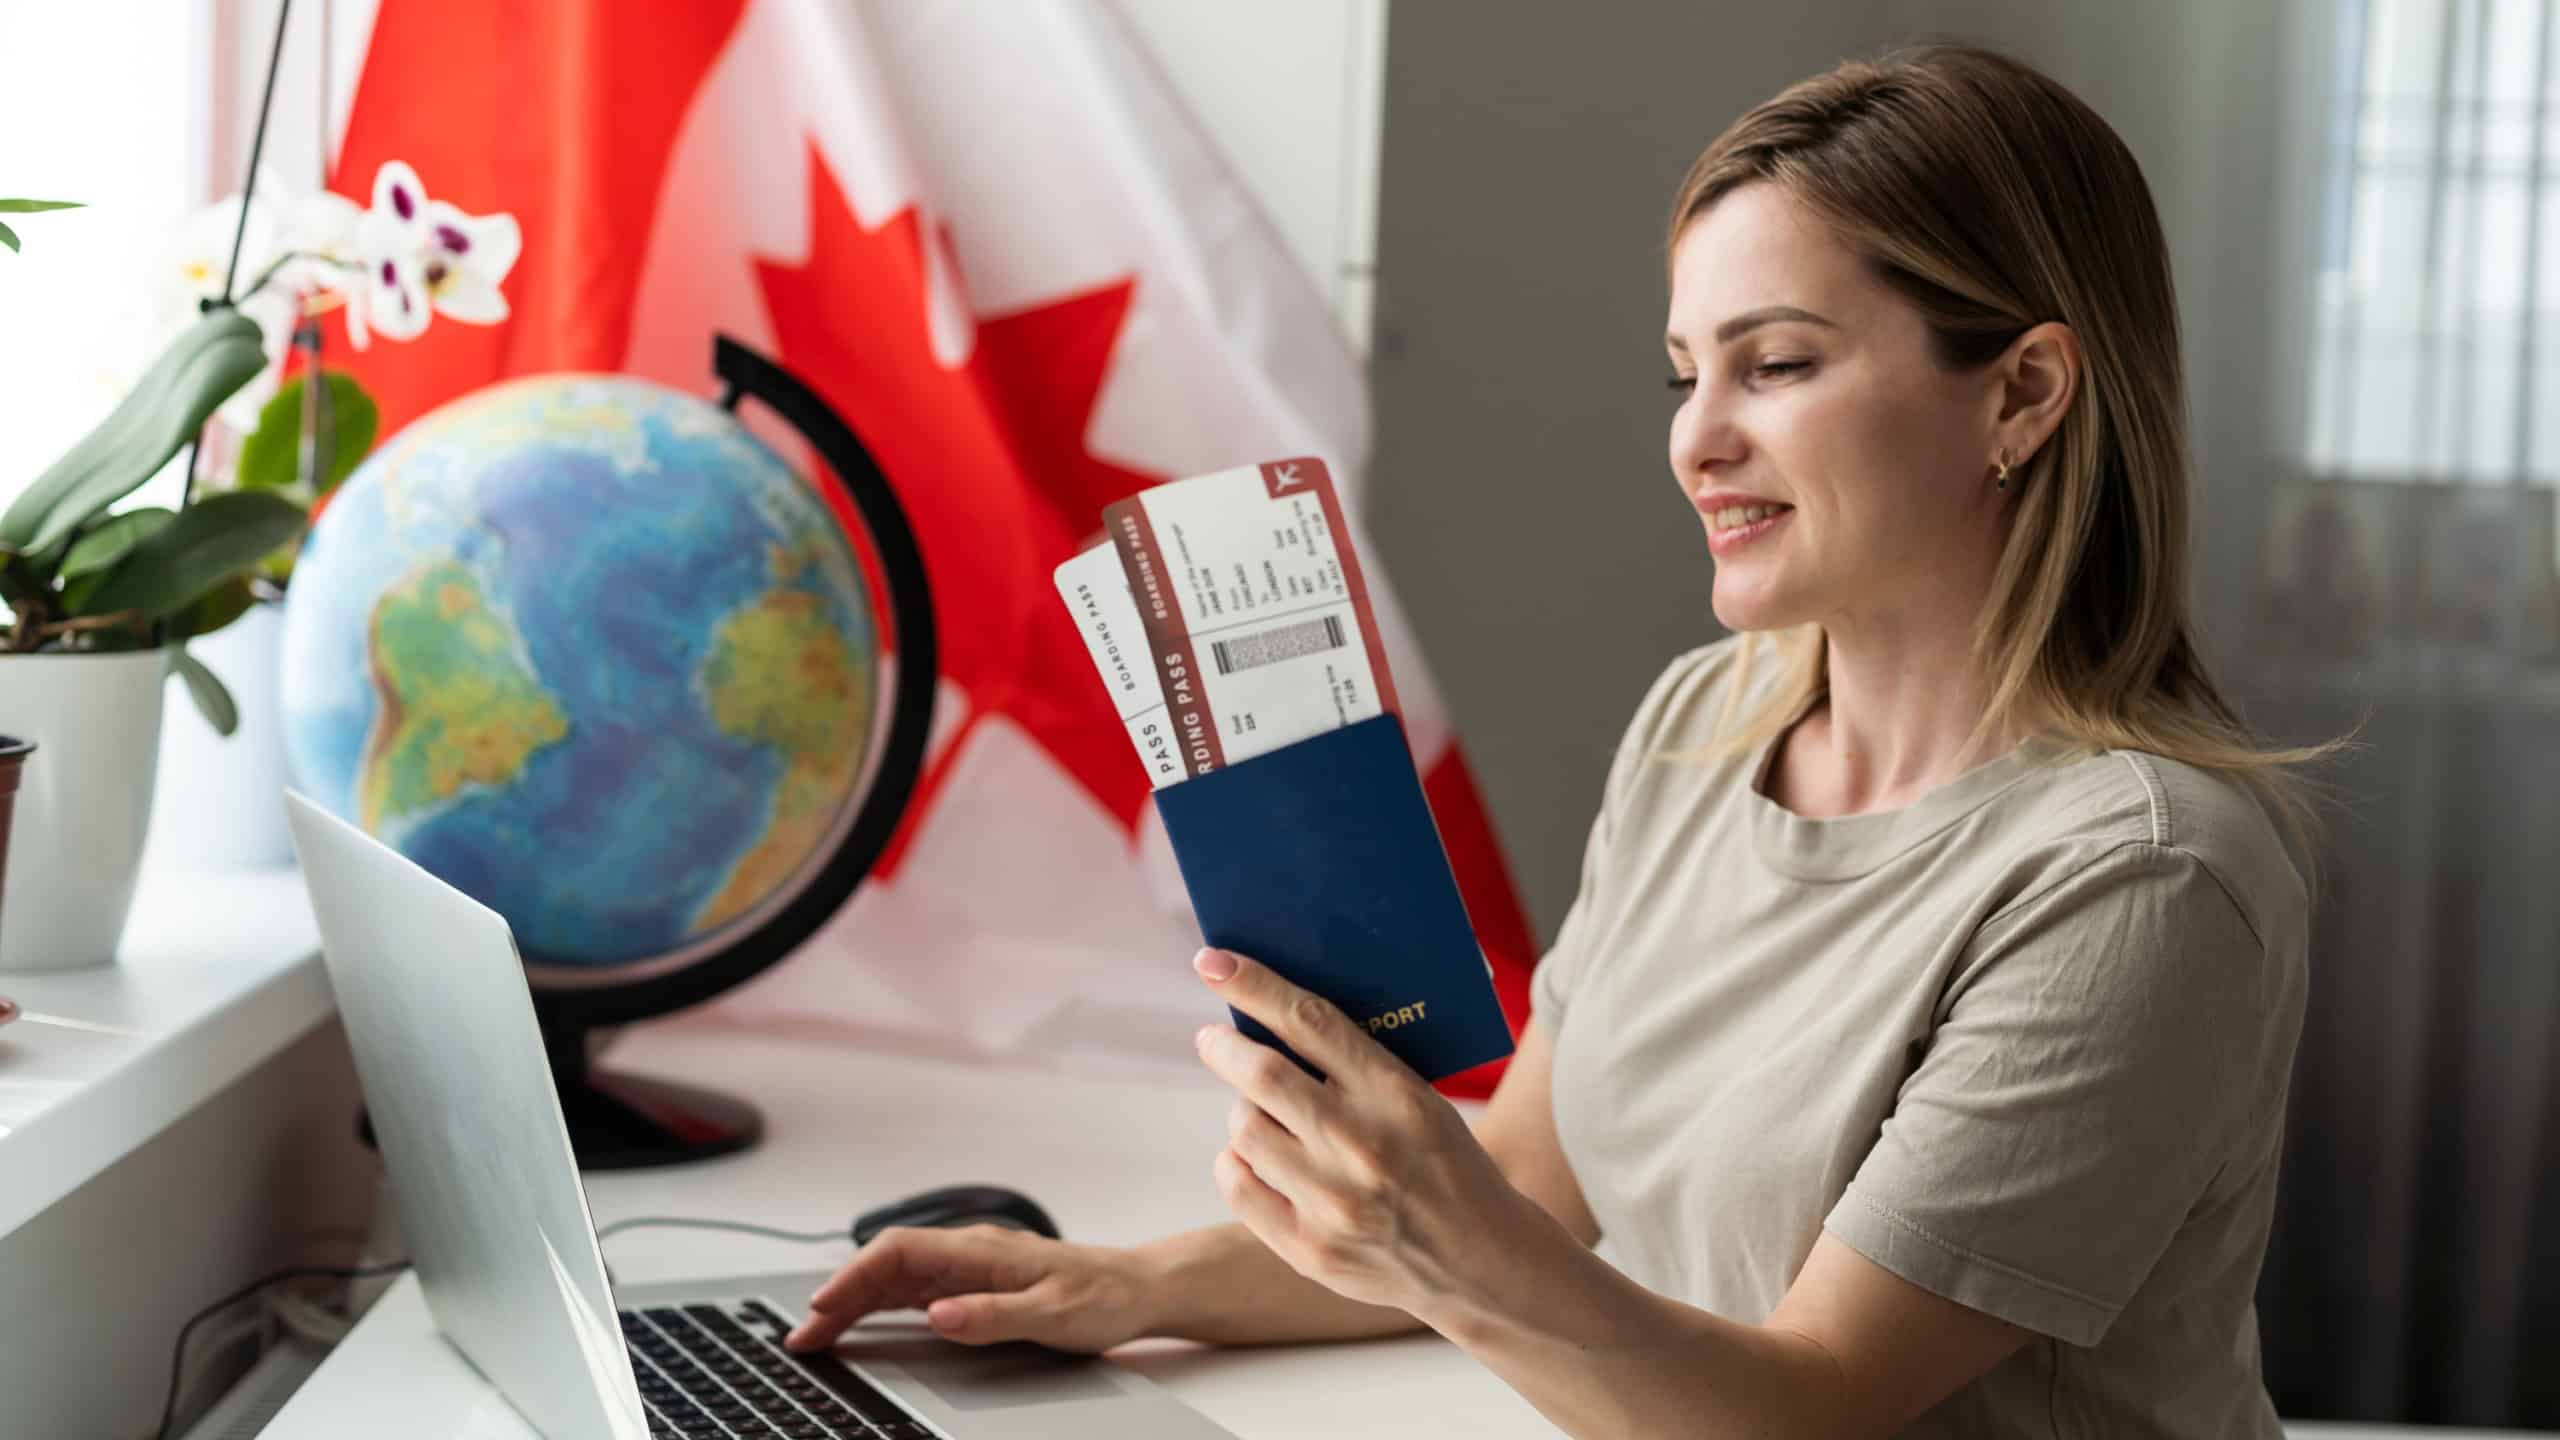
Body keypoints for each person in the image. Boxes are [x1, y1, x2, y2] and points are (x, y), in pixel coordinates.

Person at [789, 43, 2335, 1438]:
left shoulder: (2142, 879)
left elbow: (1808, 1413)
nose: (1696, 437)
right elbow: (1532, 1185)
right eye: (1686, 373)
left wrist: (1446, 1244)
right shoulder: (1702, 725)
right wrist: (1120, 1287)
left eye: (1777, 364)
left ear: (2025, 394)